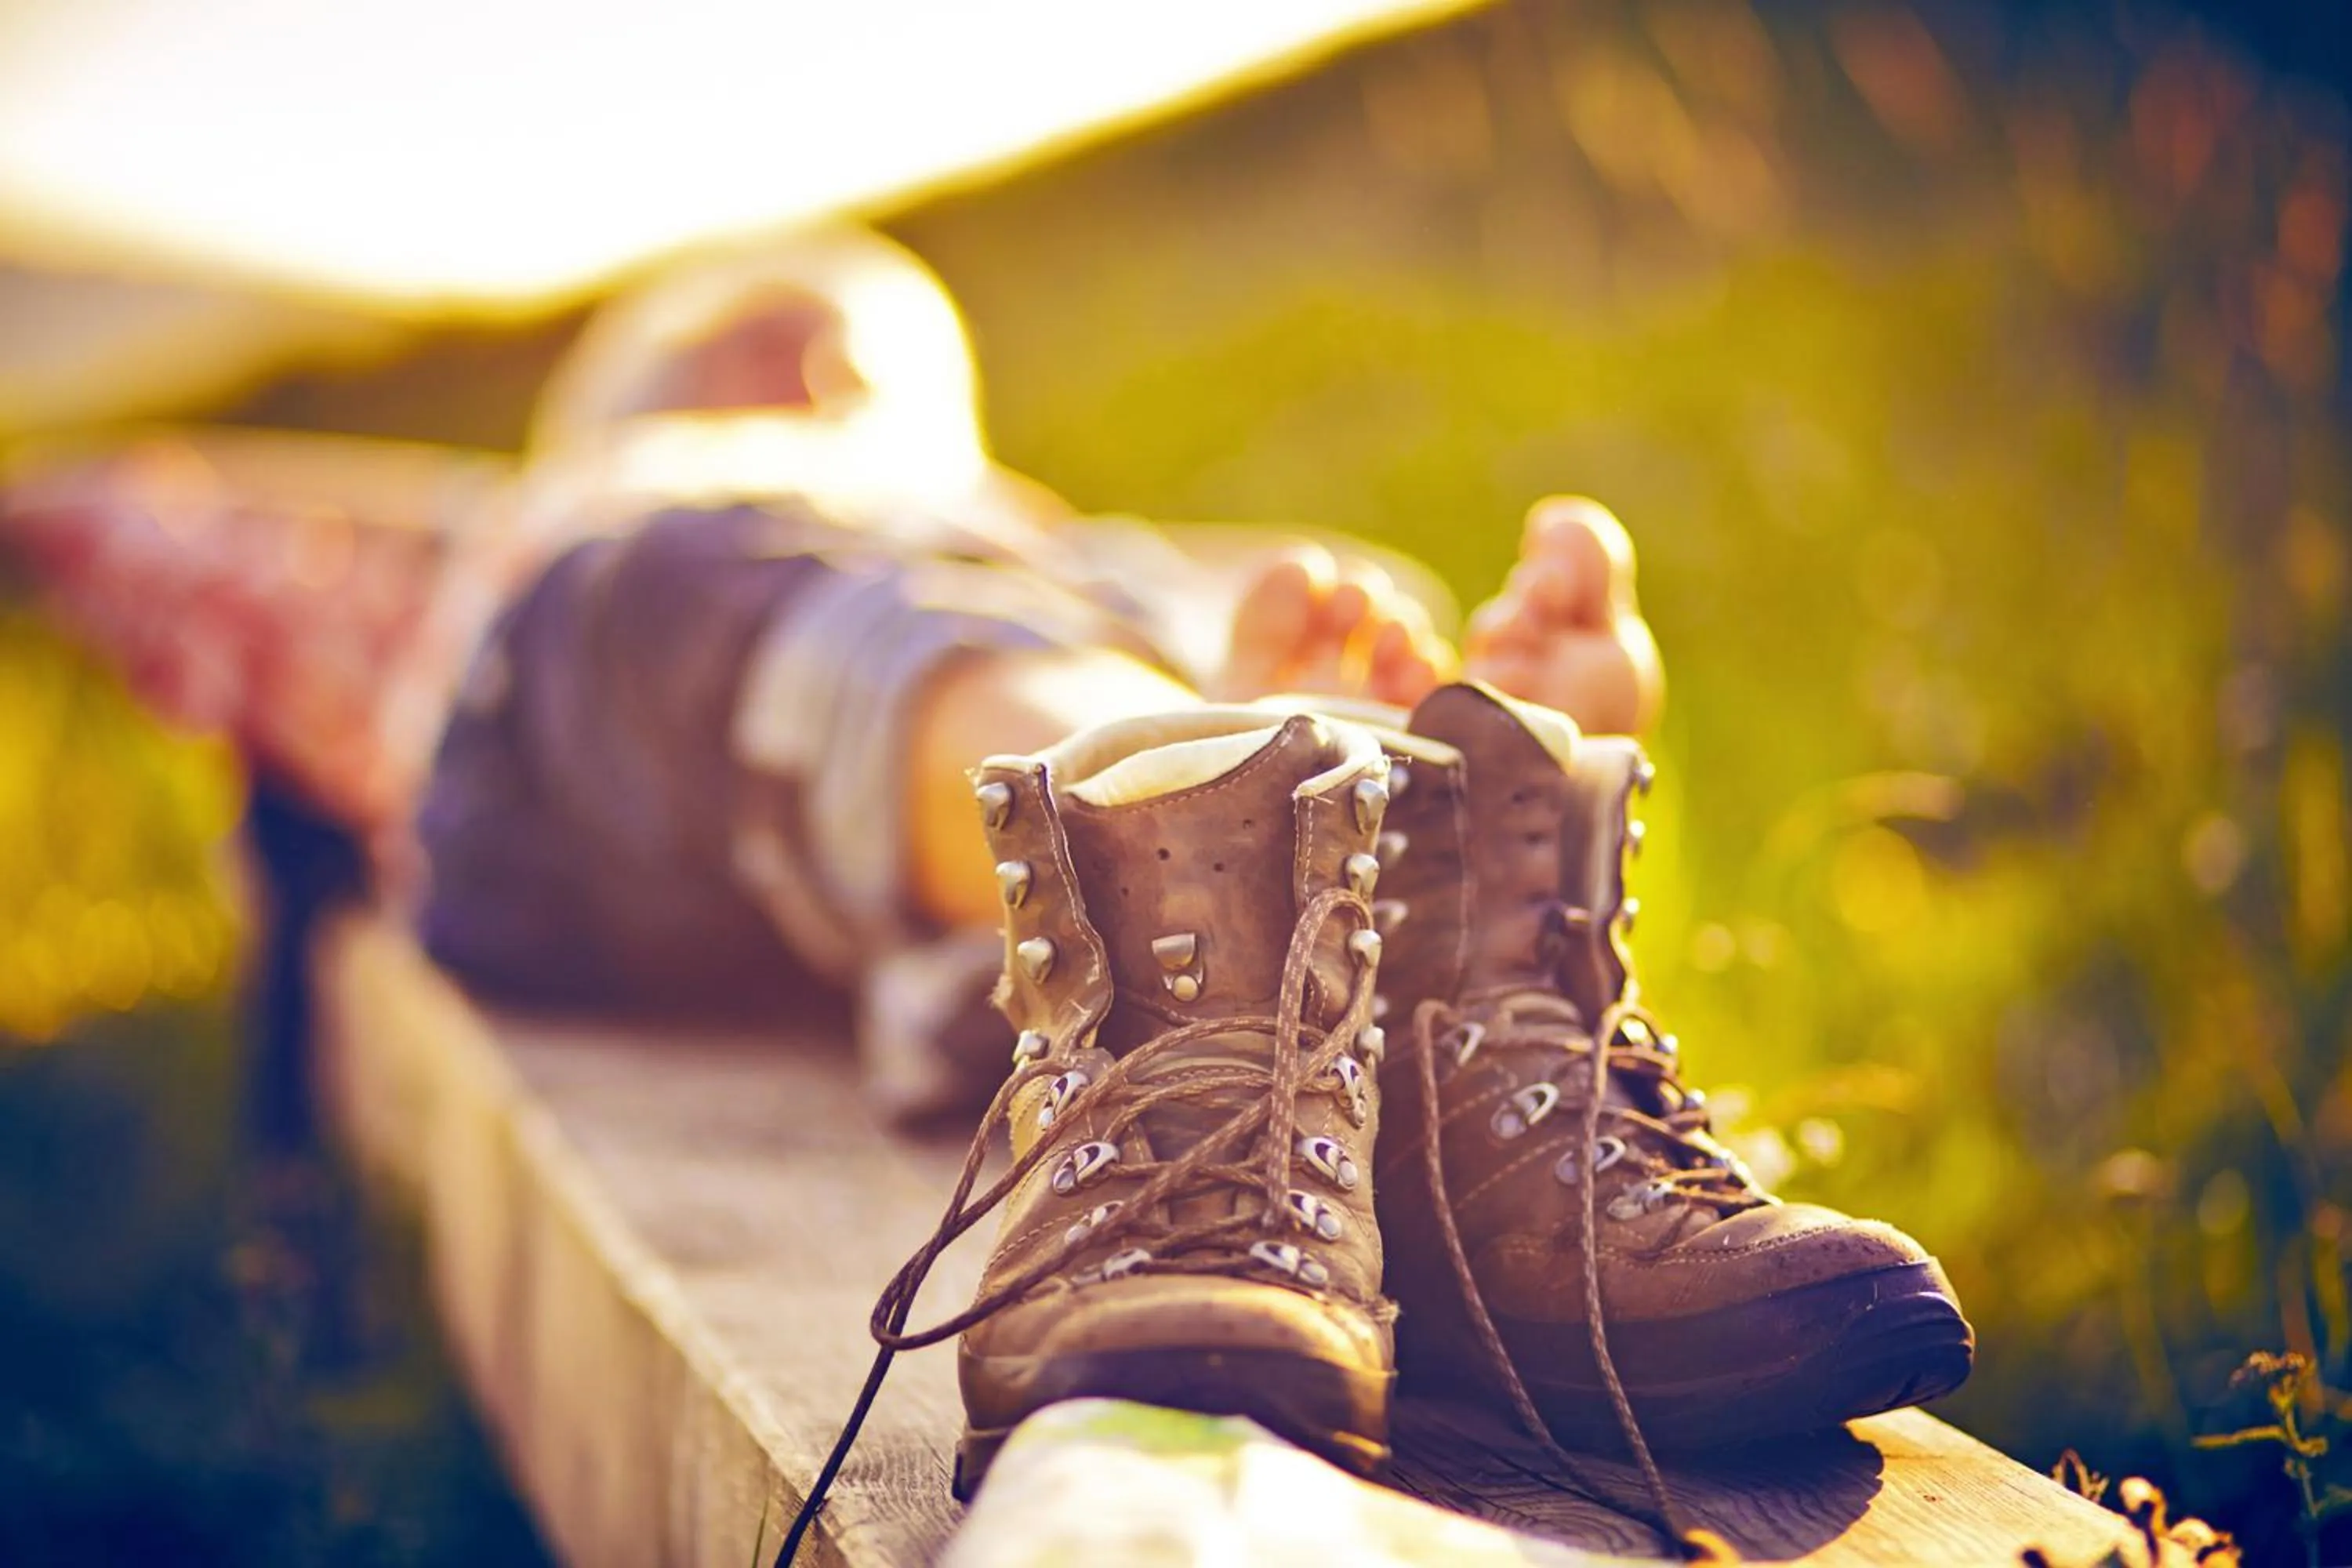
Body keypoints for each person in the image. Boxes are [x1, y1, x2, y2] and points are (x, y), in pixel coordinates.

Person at [0, 228, 1966, 1549]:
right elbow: (132, 512)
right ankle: (1250, 864)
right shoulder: (568, 519)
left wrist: (1348, 652)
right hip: (604, 736)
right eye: (744, 355)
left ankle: (1418, 1041)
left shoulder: (1064, 547)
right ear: (611, 411)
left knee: (1239, 619)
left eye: (863, 368)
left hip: (976, 834)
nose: (811, 379)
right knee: (803, 596)